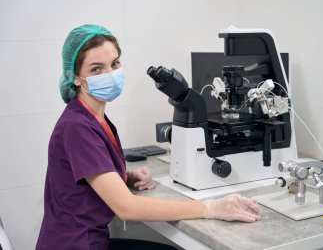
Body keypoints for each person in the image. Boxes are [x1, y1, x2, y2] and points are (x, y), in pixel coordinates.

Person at [36, 24, 262, 250]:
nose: (110, 75)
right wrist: (210, 208)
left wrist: (126, 177)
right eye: (96, 69)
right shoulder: (78, 127)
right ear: (75, 77)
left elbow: (87, 179)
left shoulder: (93, 118)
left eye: (114, 64)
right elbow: (127, 209)